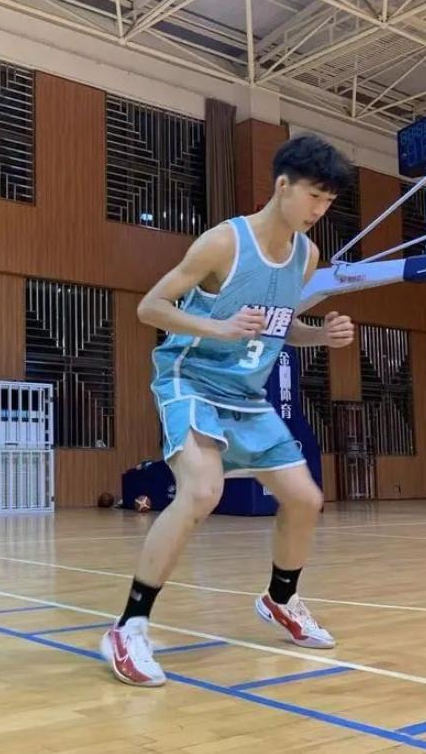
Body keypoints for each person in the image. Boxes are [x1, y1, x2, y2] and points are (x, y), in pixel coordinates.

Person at [99, 134, 356, 687]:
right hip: (189, 379)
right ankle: (129, 626)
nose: (320, 209)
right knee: (201, 491)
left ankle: (280, 600)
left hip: (246, 395)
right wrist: (218, 327)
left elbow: (279, 328)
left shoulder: (307, 256)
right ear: (283, 186)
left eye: (329, 201)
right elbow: (151, 307)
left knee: (305, 499)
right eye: (314, 196)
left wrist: (321, 336)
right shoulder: (223, 243)